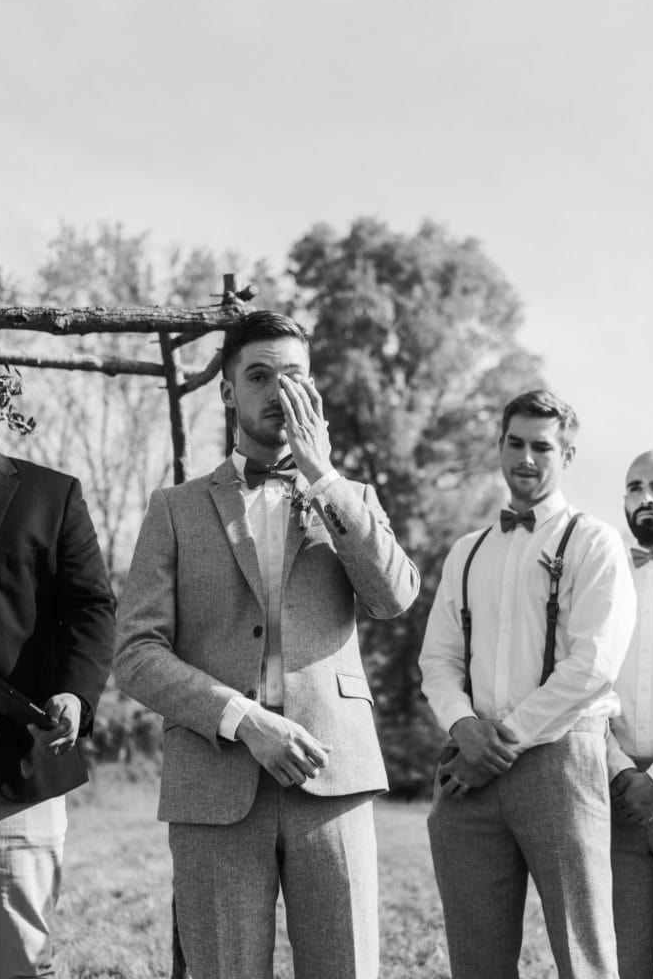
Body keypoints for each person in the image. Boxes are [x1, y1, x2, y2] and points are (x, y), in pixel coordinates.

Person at [115, 310, 419, 979]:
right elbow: (135, 652)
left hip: (332, 773)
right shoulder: (174, 508)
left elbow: (393, 598)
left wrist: (326, 480)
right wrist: (242, 719)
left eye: (293, 378)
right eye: (258, 376)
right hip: (214, 781)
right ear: (227, 391)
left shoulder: (351, 499)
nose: (278, 393)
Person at [419, 389, 635, 979]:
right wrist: (464, 727)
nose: (527, 458)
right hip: (467, 771)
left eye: (543, 446)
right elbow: (437, 660)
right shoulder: (466, 552)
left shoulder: (594, 542)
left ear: (567, 453)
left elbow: (593, 666)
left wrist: (500, 742)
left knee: (583, 953)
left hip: (561, 761)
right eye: (515, 443)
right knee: (476, 959)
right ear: (500, 446)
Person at [0, 353, 115, 977]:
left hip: (15, 778)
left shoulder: (51, 495)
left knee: (19, 966)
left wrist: (75, 694)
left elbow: (92, 608)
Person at [608, 449, 653, 978]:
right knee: (620, 964)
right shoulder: (603, 577)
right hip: (614, 799)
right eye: (634, 487)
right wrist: (620, 770)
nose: (645, 498)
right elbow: (582, 680)